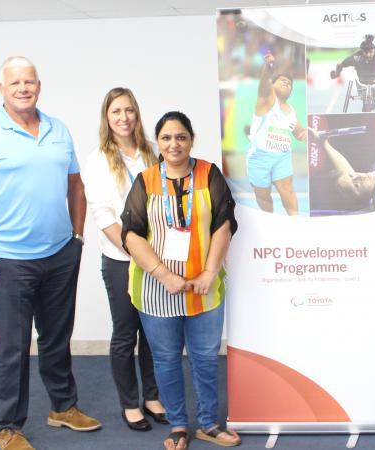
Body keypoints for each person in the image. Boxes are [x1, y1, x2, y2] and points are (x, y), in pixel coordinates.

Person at [0, 56, 100, 450]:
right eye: (15, 82)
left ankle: (63, 408)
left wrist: (77, 238)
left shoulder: (58, 129)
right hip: (6, 260)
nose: (23, 88)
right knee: (13, 347)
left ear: (39, 85)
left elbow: (77, 186)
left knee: (56, 338)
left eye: (30, 81)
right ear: (0, 89)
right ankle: (9, 426)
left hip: (58, 255)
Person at [121, 111, 241, 450]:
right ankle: (177, 425)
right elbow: (131, 235)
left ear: (191, 139)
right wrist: (163, 275)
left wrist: (209, 272)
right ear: (157, 142)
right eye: (167, 138)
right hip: (158, 290)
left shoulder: (208, 173)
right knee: (166, 359)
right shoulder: (145, 180)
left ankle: (208, 424)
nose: (174, 144)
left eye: (181, 137)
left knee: (205, 357)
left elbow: (224, 223)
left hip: (203, 289)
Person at [81, 87, 166, 431]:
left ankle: (152, 396)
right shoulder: (99, 159)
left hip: (157, 256)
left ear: (137, 114)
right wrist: (137, 252)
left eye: (129, 110)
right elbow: (103, 216)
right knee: (125, 333)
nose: (124, 117)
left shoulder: (151, 153)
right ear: (107, 117)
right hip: (121, 260)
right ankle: (130, 403)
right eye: (116, 111)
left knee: (153, 332)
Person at [247, 52, 306, 215]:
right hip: (259, 157)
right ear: (272, 85)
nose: (287, 83)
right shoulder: (265, 100)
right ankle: (270, 221)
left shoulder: (291, 111)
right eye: (282, 81)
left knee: (287, 188)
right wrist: (268, 67)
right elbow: (264, 84)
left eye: (289, 83)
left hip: (282, 156)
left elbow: (299, 132)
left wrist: (305, 134)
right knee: (263, 196)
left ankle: (296, 223)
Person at [330, 34, 375, 111]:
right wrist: (336, 74)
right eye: (365, 52)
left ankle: (372, 100)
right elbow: (340, 64)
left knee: (372, 103)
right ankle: (367, 101)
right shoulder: (356, 57)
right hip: (361, 83)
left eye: (370, 51)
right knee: (368, 103)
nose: (368, 54)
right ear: (362, 50)